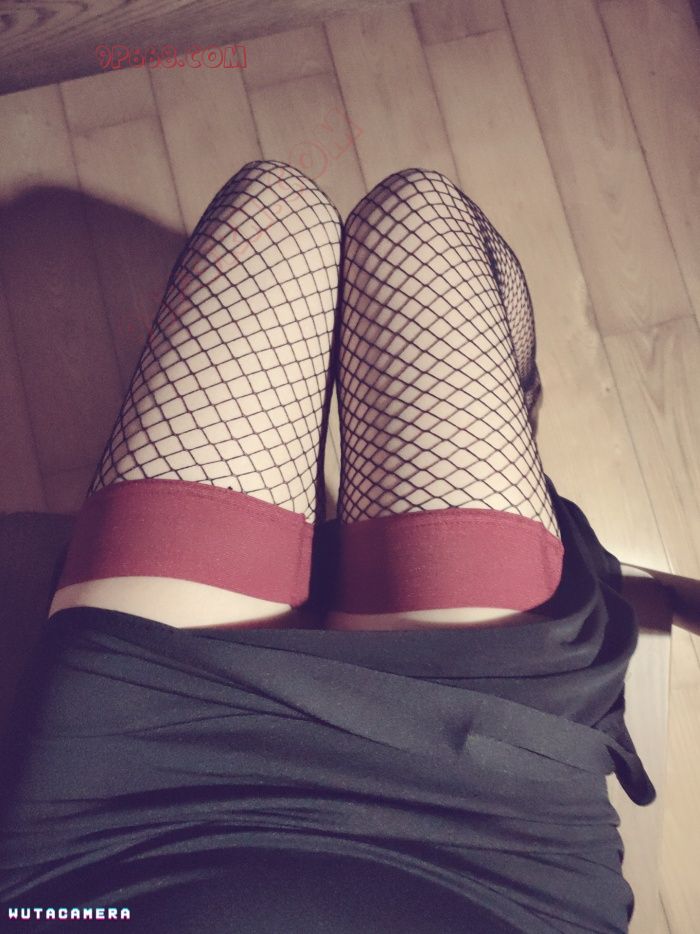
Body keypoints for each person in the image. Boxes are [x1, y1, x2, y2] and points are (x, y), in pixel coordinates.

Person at [0, 162, 655, 933]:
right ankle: (503, 425)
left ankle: (465, 448)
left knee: (273, 211)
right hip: (494, 829)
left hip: (125, 819)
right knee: (414, 220)